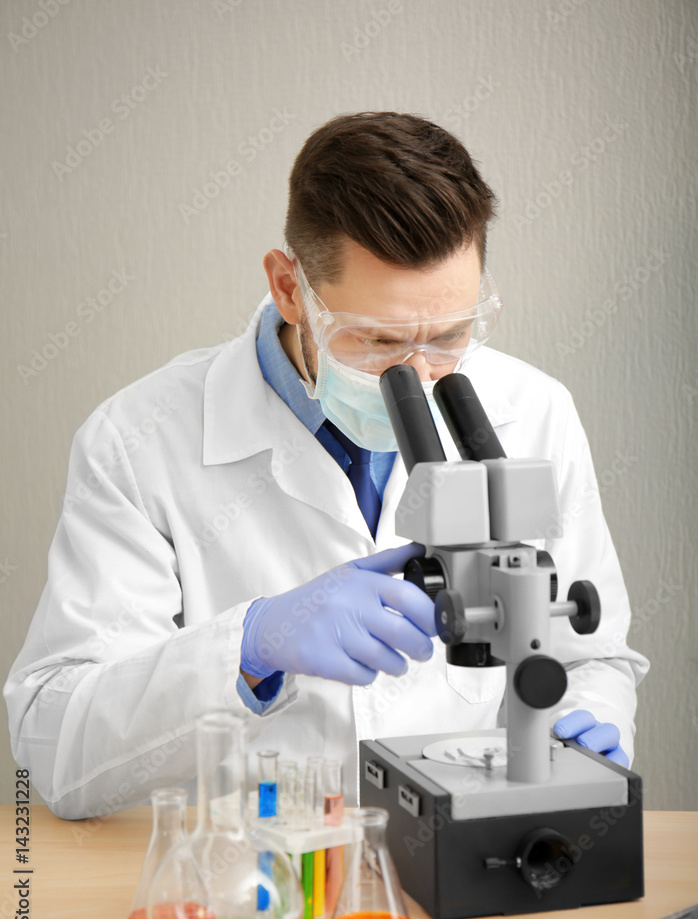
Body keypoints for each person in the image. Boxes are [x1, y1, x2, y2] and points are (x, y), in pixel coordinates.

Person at [4, 112, 649, 820]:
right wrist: (249, 646)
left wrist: (587, 722)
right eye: (375, 340)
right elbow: (55, 749)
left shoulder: (534, 411)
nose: (422, 374)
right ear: (290, 288)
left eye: (451, 335)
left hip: (458, 860)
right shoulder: (138, 439)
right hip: (249, 886)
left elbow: (592, 655)